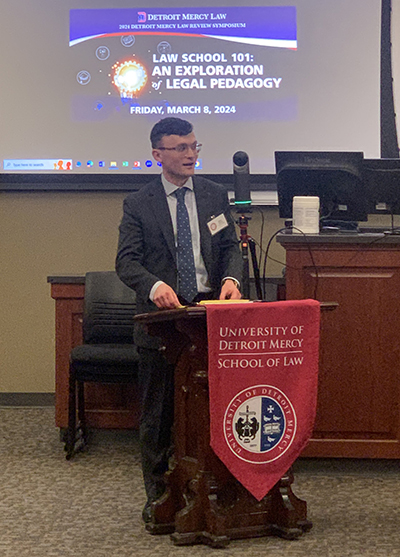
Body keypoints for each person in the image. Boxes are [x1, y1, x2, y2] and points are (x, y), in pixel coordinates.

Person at [116, 117, 242, 523]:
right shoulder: (138, 203)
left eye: (194, 146)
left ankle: (214, 487)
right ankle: (158, 495)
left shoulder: (214, 195)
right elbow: (126, 262)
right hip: (163, 322)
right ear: (158, 155)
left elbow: (229, 249)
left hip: (209, 318)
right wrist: (154, 287)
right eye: (181, 148)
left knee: (213, 409)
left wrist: (231, 278)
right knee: (159, 413)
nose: (191, 155)